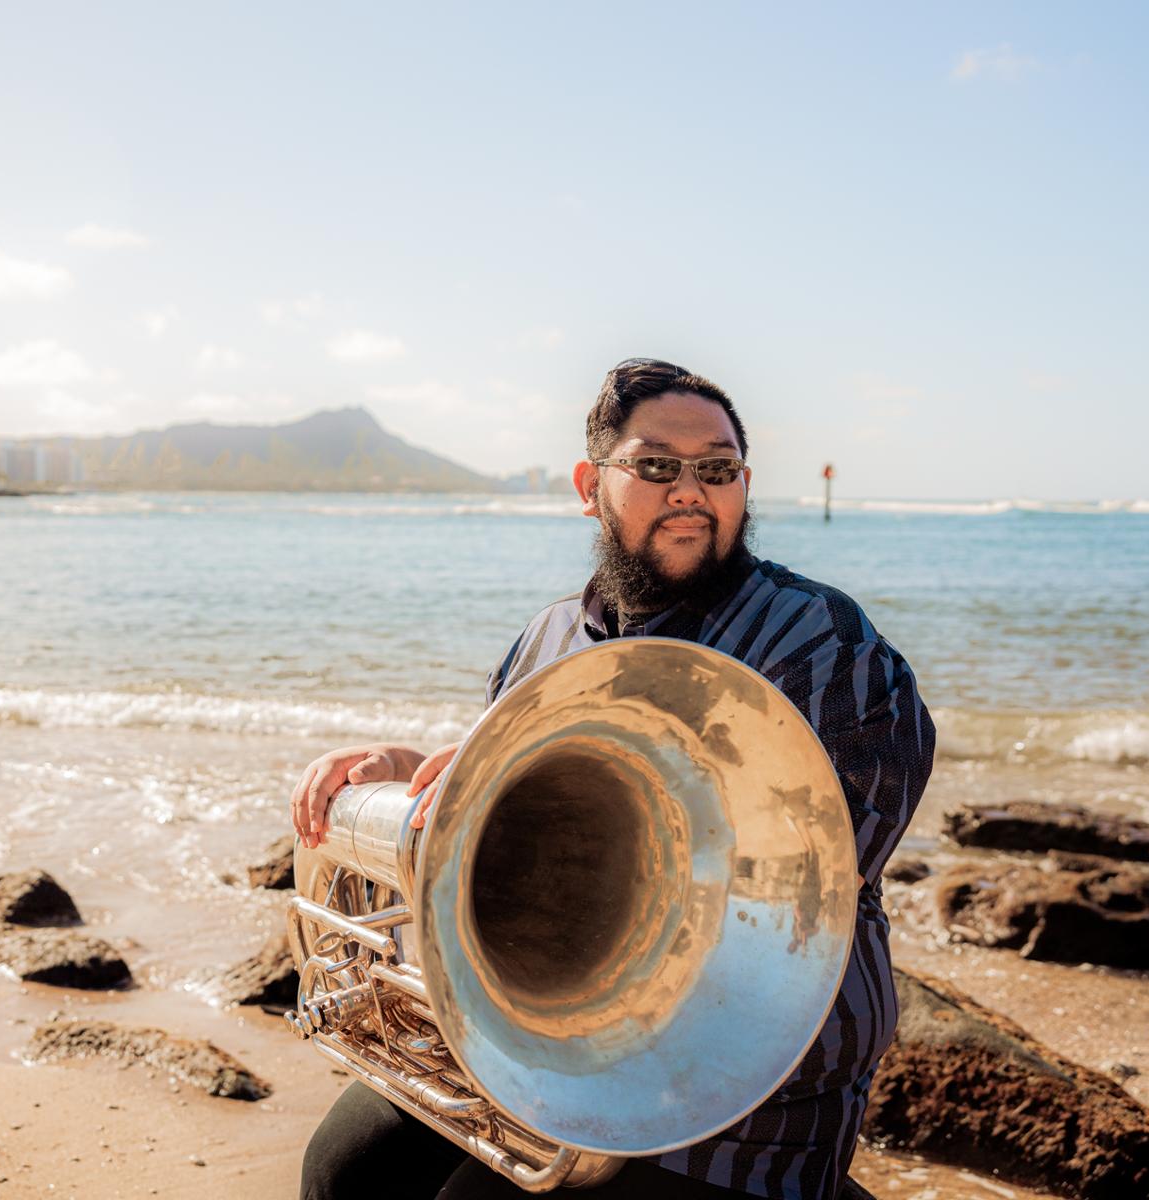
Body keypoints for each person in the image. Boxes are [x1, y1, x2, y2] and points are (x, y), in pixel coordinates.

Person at [292, 357, 936, 1200]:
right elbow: (512, 808)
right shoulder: (550, 634)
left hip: (741, 1096)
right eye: (657, 466)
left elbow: (798, 884)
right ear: (589, 483)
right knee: (342, 1170)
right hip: (551, 1048)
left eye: (718, 468)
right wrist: (412, 774)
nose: (690, 490)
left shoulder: (824, 645)